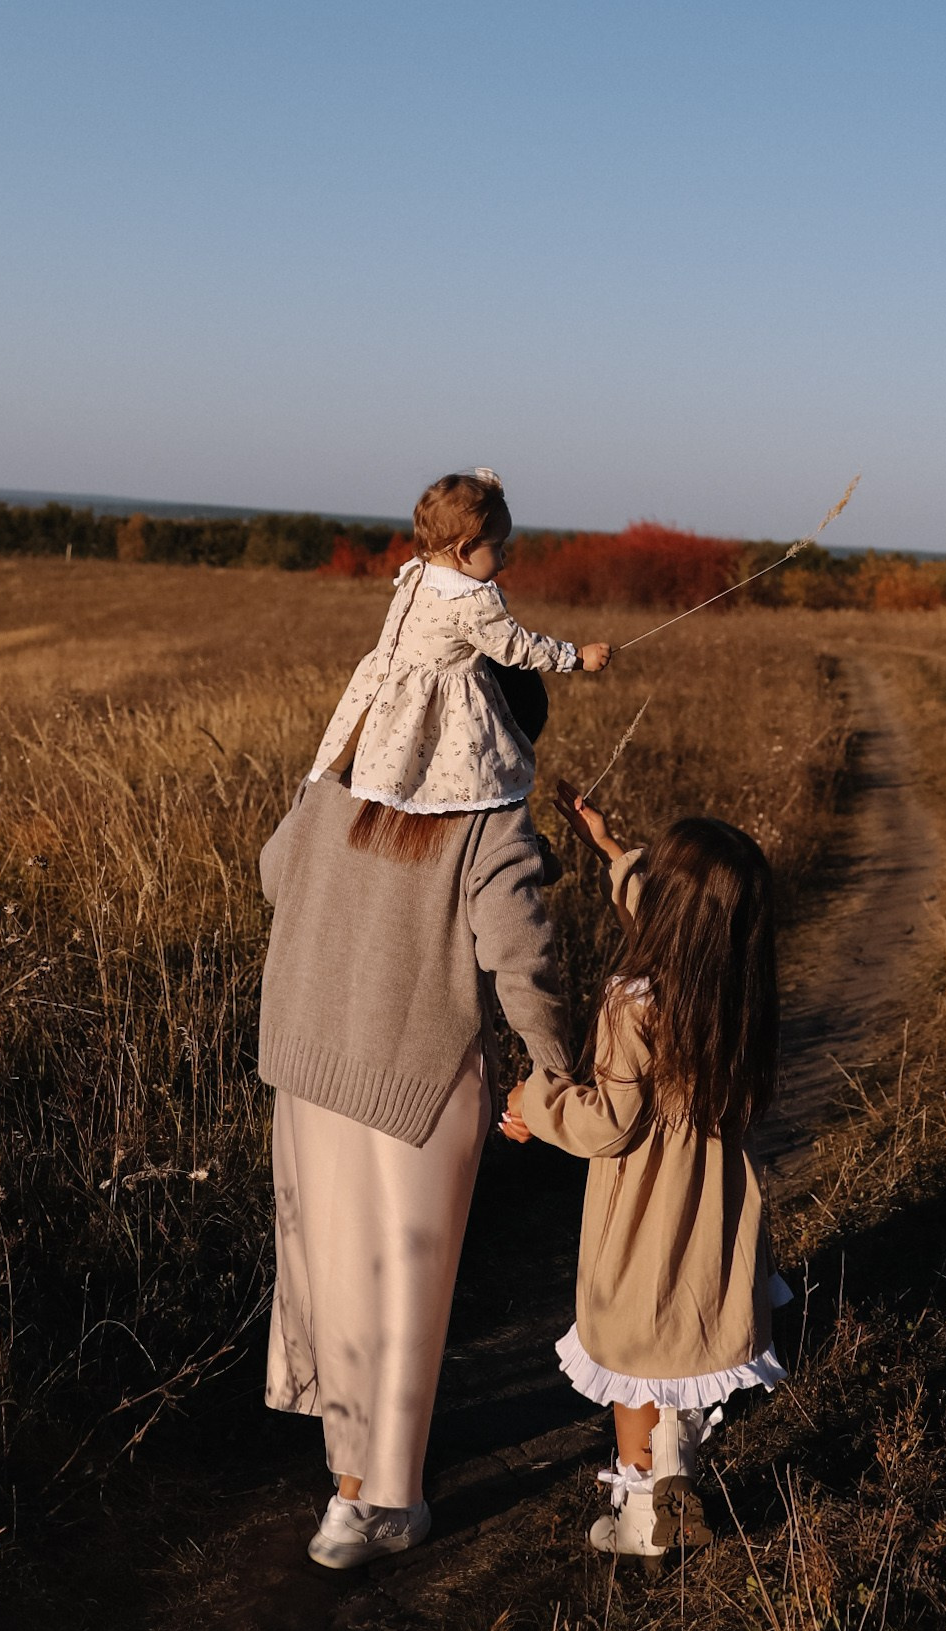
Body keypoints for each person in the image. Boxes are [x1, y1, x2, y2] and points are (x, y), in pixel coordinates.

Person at [258, 505, 581, 1572]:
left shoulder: (344, 777)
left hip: (305, 1052)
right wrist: (553, 1066)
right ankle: (375, 1501)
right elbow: (517, 953)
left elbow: (273, 872)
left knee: (329, 1267)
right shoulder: (490, 812)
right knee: (403, 1281)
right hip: (413, 1069)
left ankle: (348, 1480)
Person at [503, 799, 791, 1560]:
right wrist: (610, 850)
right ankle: (674, 1466)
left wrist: (535, 1099)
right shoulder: (735, 988)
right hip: (713, 1208)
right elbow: (685, 909)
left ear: (666, 911)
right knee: (685, 1333)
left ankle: (640, 1520)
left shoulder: (635, 1000)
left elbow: (606, 1123)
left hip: (642, 1212)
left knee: (632, 1355)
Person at [308, 468, 611, 816]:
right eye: (497, 548)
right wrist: (575, 656)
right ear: (466, 551)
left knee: (395, 753)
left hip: (388, 692)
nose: (503, 559)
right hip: (438, 699)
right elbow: (516, 647)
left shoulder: (419, 573)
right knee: (454, 768)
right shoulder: (471, 600)